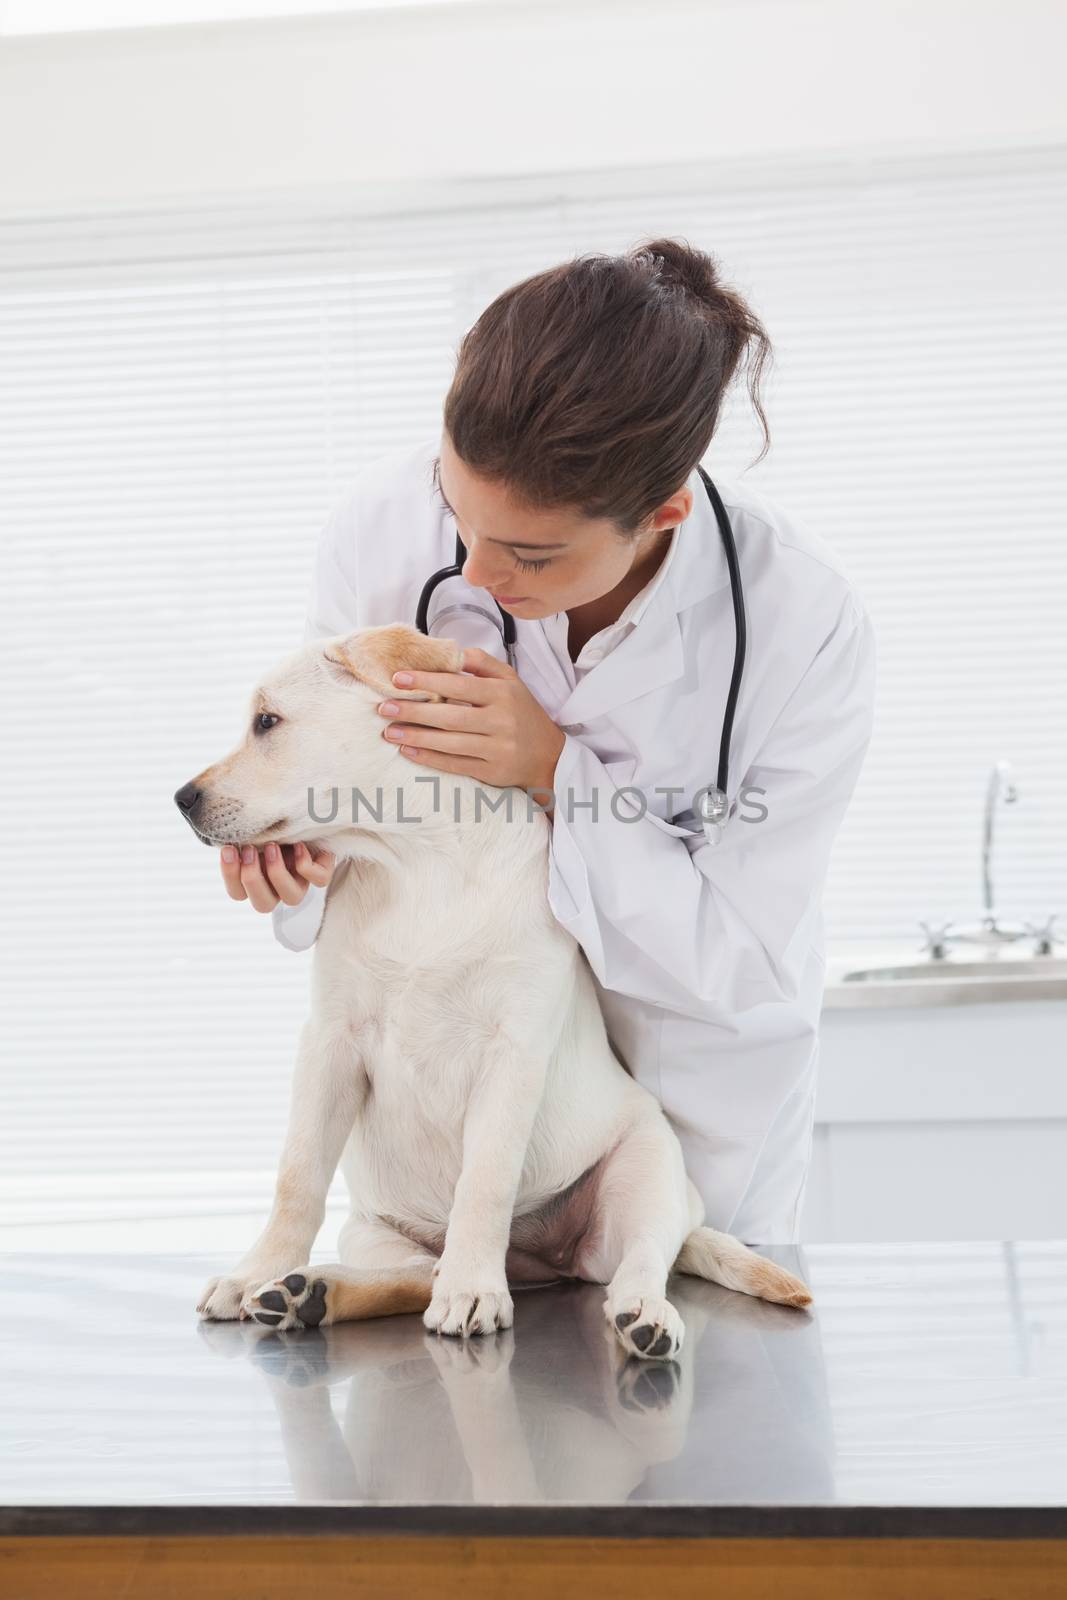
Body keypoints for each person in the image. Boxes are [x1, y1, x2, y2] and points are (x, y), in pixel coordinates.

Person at [218, 237, 876, 1244]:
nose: (475, 577)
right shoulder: (378, 531)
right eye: (457, 510)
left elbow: (741, 952)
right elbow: (319, 780)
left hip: (682, 1125)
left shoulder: (800, 622)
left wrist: (553, 773)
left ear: (663, 512)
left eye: (529, 552)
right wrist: (288, 853)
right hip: (439, 1138)